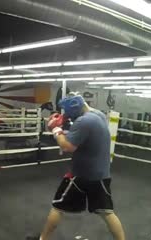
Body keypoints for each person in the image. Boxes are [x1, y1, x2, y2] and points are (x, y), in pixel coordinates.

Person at [26, 94, 125, 240]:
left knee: (57, 207)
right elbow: (81, 136)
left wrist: (56, 129)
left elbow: (67, 146)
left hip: (82, 175)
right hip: (102, 174)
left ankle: (42, 239)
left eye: (67, 111)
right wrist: (65, 122)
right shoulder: (98, 115)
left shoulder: (84, 121)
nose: (66, 114)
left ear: (73, 107)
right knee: (107, 212)